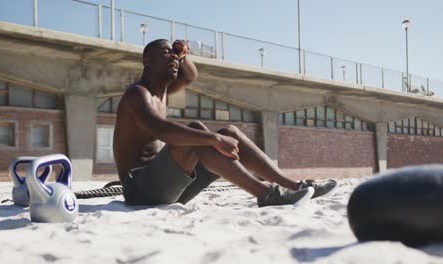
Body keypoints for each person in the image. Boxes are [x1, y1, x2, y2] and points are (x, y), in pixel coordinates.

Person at [113, 39, 337, 207]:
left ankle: (294, 186)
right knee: (197, 132)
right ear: (147, 60)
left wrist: (182, 57)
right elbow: (161, 130)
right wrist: (214, 138)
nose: (173, 58)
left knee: (230, 132)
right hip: (140, 191)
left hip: (170, 187)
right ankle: (266, 194)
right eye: (166, 53)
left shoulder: (162, 92)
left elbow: (190, 76)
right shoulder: (137, 94)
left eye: (175, 56)